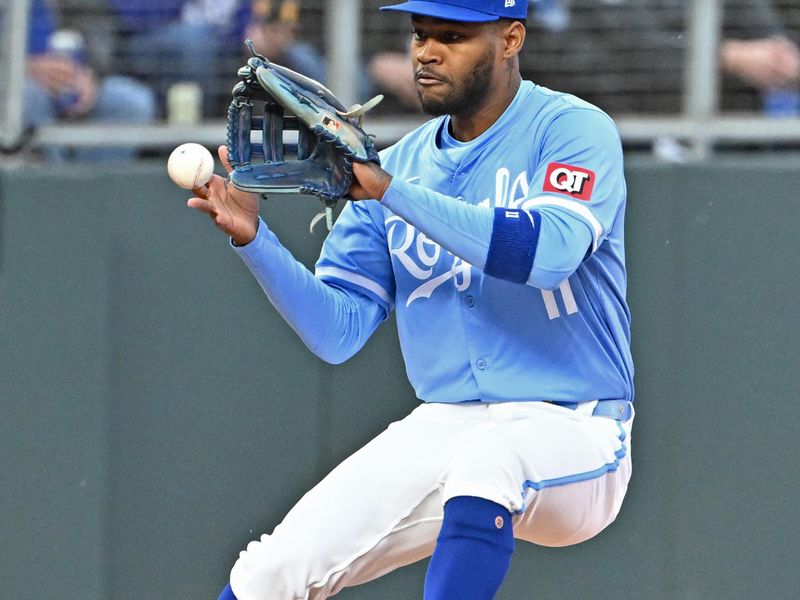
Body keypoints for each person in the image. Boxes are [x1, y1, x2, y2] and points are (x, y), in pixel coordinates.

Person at [188, 1, 634, 598]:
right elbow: (337, 330)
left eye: (453, 36)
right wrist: (255, 240)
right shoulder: (394, 168)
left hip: (574, 422)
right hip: (446, 421)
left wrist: (394, 194)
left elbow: (547, 255)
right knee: (273, 570)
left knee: (491, 461)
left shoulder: (571, 130)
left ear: (511, 39)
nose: (426, 51)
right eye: (421, 34)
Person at [24, 0, 156, 161]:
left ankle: (94, 185)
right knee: (26, 97)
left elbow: (95, 24)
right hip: (16, 82)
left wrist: (91, 74)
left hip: (73, 75)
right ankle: (52, 180)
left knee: (131, 101)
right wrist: (23, 67)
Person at [108, 0, 252, 117]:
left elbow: (246, 19)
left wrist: (246, 34)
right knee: (195, 41)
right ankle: (198, 134)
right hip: (147, 41)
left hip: (225, 50)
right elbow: (133, 16)